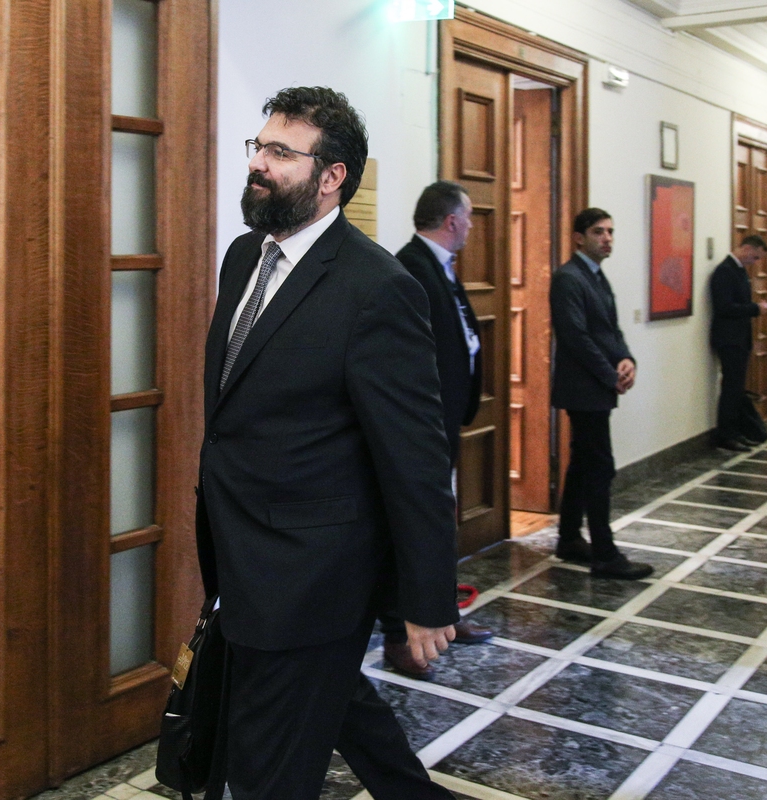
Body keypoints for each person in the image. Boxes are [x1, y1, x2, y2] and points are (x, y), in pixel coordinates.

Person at [196, 86, 459, 800]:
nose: (259, 163)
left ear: (331, 175)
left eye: (282, 152)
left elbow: (415, 459)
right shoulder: (243, 257)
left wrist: (426, 597)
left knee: (266, 770)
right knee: (338, 702)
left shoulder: (379, 288)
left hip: (312, 576)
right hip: (241, 552)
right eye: (259, 146)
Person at [379, 181, 494, 680]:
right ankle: (398, 635)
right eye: (467, 216)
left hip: (444, 418)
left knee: (438, 523)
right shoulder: (409, 267)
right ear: (451, 221)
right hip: (419, 427)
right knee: (408, 528)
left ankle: (443, 615)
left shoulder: (441, 265)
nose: (470, 225)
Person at [550, 209, 653, 580]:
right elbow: (575, 337)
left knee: (583, 462)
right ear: (579, 237)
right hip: (584, 389)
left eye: (610, 231)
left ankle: (568, 538)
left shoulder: (595, 275)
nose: (607, 238)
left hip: (598, 386)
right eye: (599, 232)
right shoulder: (568, 278)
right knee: (599, 467)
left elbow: (610, 329)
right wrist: (611, 376)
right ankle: (605, 555)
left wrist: (627, 359)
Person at [710, 235, 767, 451]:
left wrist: (755, 307)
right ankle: (727, 435)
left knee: (736, 387)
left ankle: (737, 431)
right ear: (746, 248)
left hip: (739, 337)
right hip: (729, 339)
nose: (755, 262)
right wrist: (755, 309)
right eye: (755, 257)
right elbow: (725, 307)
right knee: (732, 388)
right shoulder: (725, 271)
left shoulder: (739, 271)